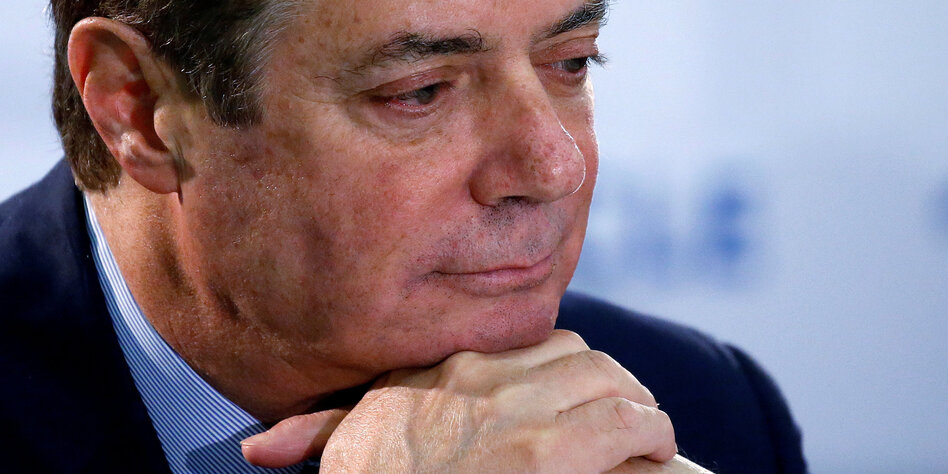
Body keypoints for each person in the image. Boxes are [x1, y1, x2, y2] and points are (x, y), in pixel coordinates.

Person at [0, 0, 806, 472]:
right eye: (420, 92)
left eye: (572, 63)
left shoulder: (693, 407)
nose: (555, 166)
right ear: (140, 108)